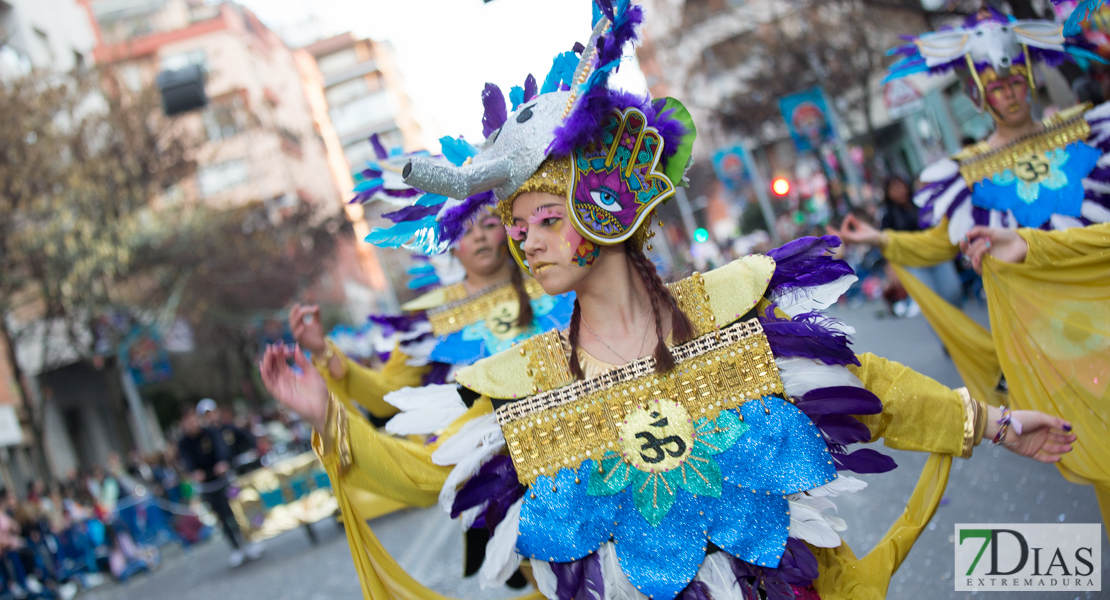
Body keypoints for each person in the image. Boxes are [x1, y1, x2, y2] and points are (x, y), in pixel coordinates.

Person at [260, 3, 1075, 599]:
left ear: (604, 209)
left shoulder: (727, 311)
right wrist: (327, 413)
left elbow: (866, 387)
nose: (525, 242)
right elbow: (424, 467)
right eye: (514, 228)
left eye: (544, 218)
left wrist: (997, 423)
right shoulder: (527, 379)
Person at [828, 7, 1110, 527]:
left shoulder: (1089, 133)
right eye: (996, 84)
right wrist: (881, 237)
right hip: (1050, 337)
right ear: (977, 93)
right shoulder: (964, 175)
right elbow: (943, 242)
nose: (1009, 91)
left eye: (1015, 78)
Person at [291, 145, 575, 425]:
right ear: (450, 244)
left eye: (488, 225)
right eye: (465, 229)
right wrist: (322, 351)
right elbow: (386, 394)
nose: (478, 237)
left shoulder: (556, 281)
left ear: (508, 227)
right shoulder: (431, 322)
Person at [176, 404, 261, 567]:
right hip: (207, 486)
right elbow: (186, 462)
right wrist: (193, 472)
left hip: (224, 481)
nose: (192, 423)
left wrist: (223, 463)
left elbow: (223, 450)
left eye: (194, 419)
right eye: (188, 421)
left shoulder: (211, 433)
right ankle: (236, 548)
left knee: (237, 511)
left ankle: (249, 542)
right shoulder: (184, 443)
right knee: (221, 518)